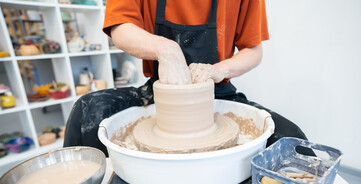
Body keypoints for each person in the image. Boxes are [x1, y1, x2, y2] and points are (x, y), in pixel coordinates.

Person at [63, 0, 308, 155]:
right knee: (87, 112)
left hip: (217, 91)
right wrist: (166, 50)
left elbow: (253, 50)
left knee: (291, 140)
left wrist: (219, 70)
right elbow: (120, 27)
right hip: (159, 92)